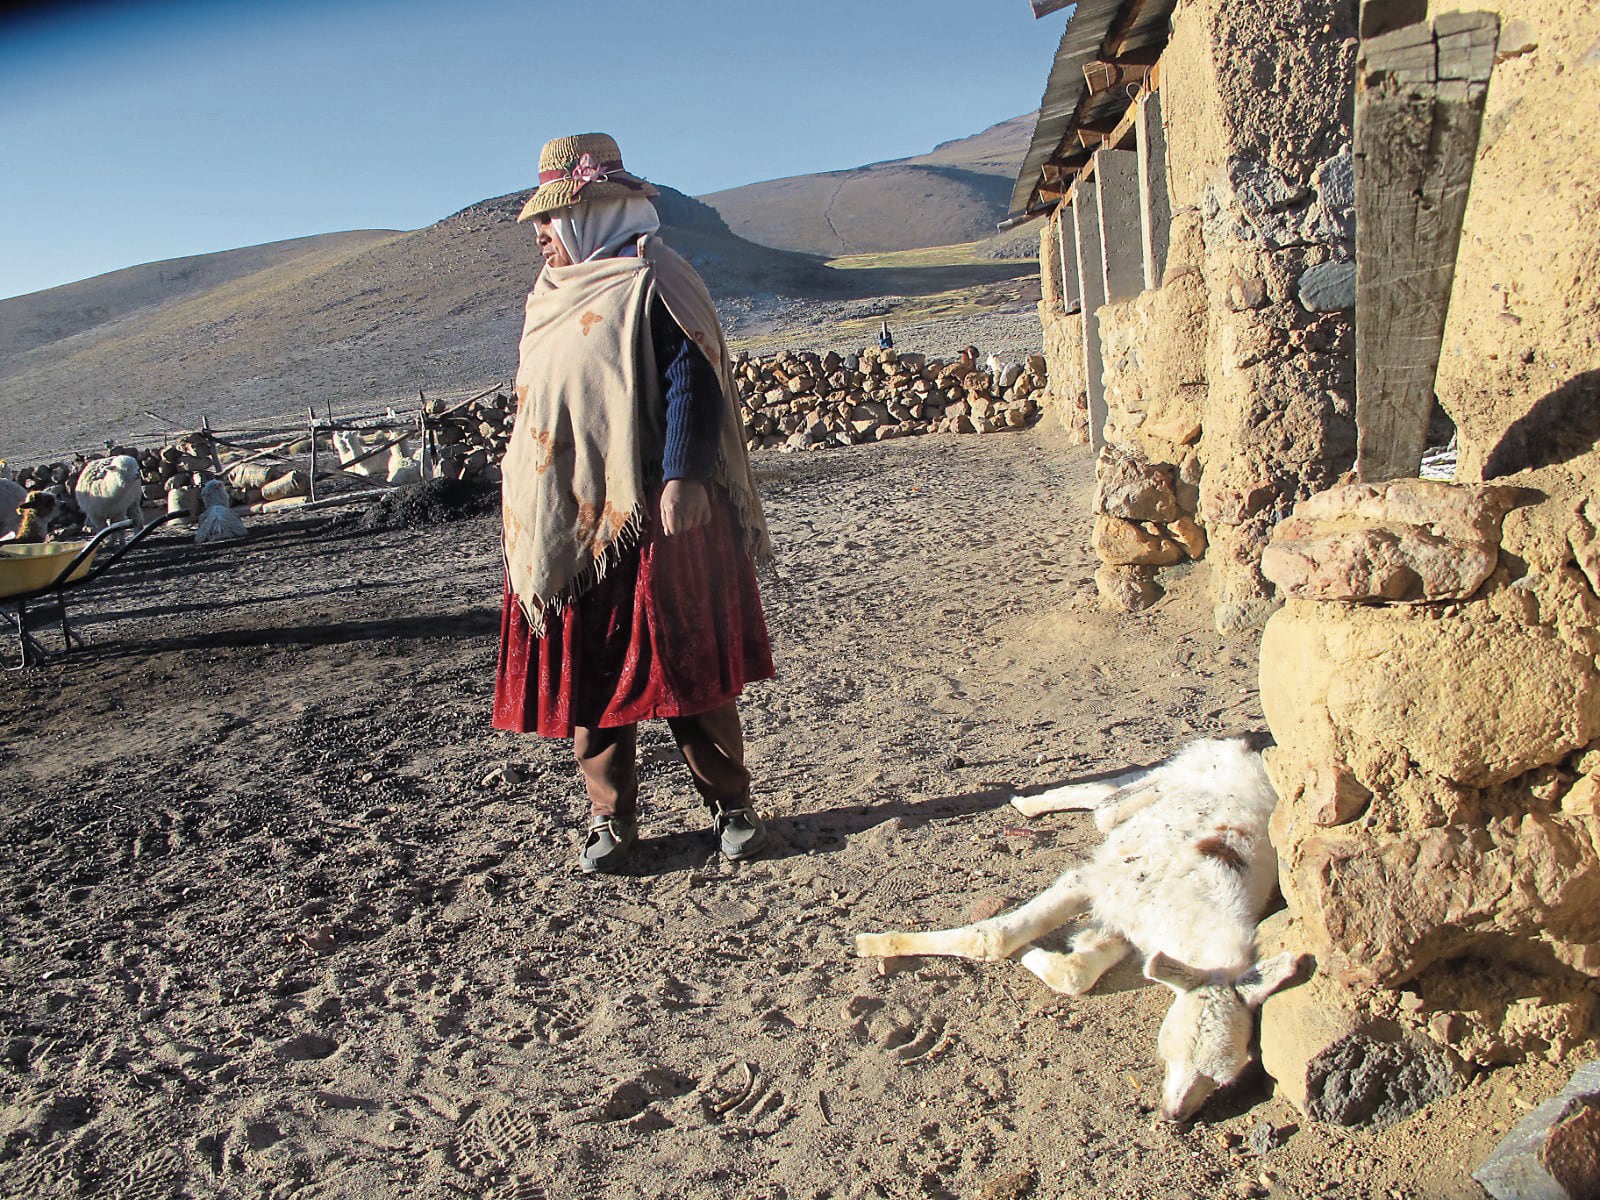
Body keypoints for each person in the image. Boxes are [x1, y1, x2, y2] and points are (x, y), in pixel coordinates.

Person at [492, 132, 776, 875]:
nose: (542, 238)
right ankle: (610, 819)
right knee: (592, 676)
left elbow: (694, 376)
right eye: (540, 225)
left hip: (655, 512)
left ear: (594, 212)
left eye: (550, 223)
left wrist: (682, 476)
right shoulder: (550, 297)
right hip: (574, 522)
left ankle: (731, 805)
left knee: (687, 664)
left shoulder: (656, 279)